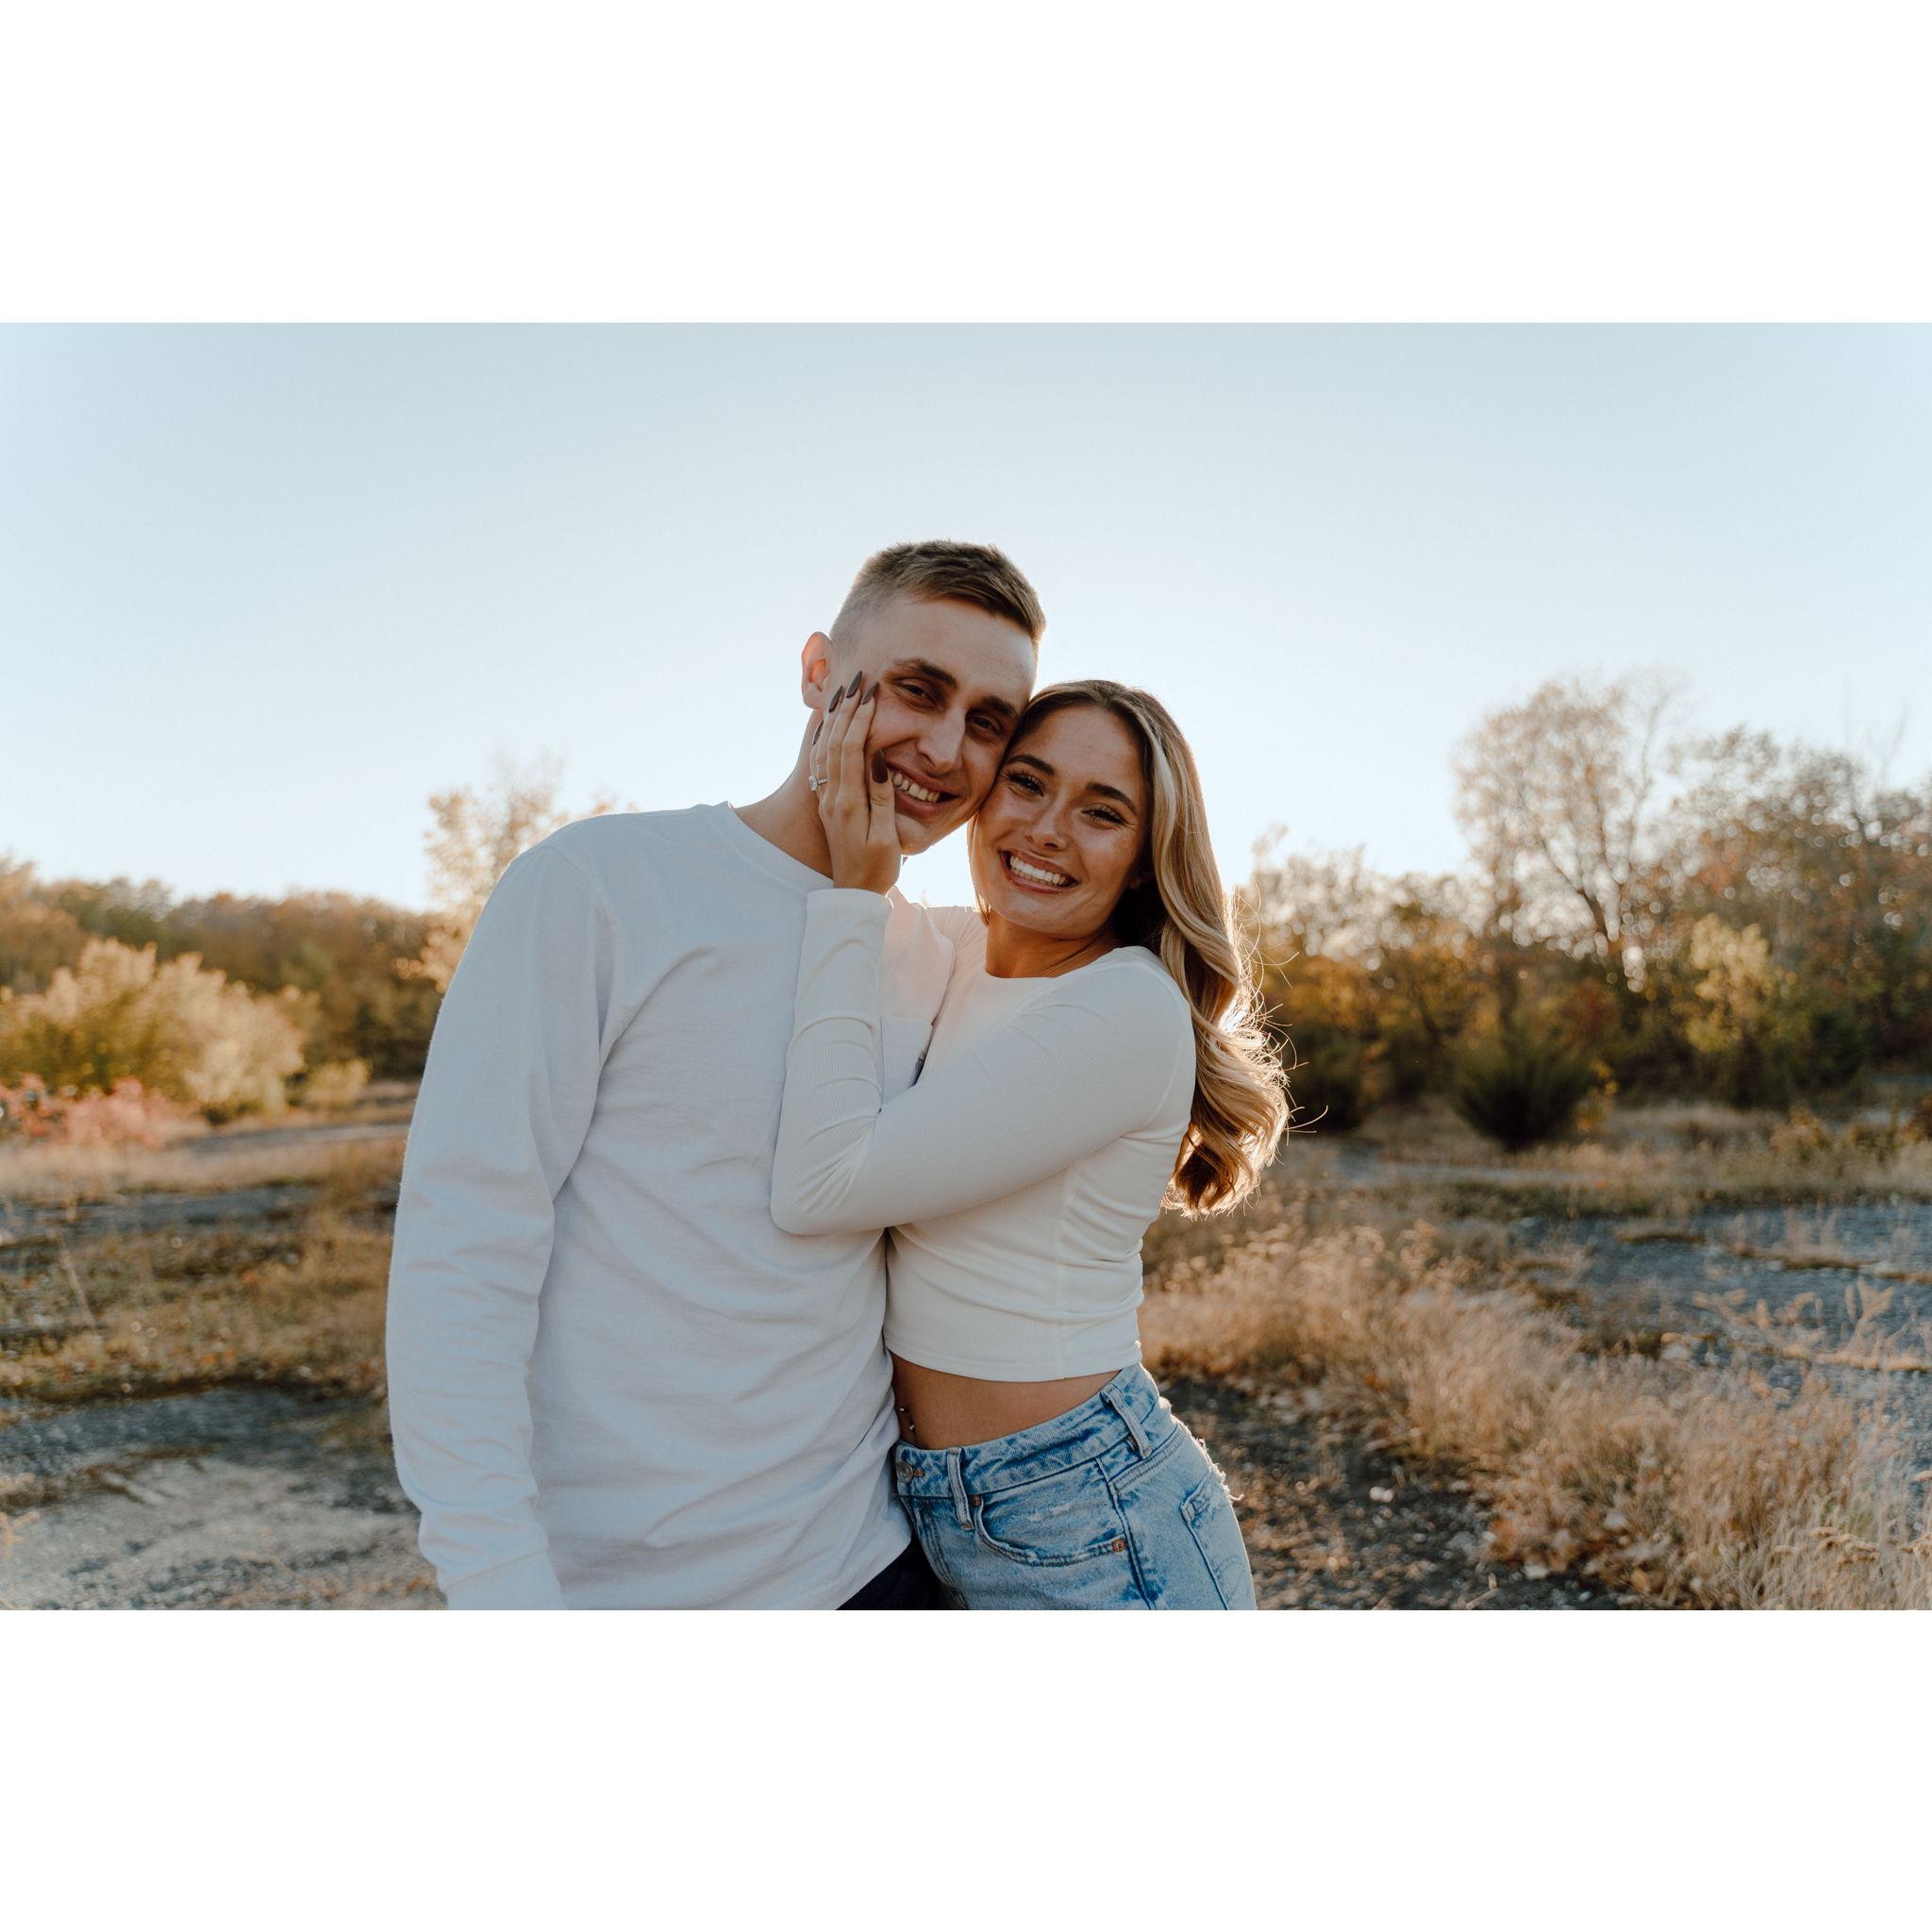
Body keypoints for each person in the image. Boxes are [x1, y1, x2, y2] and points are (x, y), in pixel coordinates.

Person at [385, 541, 1042, 1607]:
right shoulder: (598, 886)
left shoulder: (945, 958)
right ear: (818, 671)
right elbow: (464, 1246)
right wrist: (496, 1577)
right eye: (917, 689)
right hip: (616, 1587)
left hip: (868, 1567)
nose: (941, 747)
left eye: (986, 721)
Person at [770, 676, 1290, 1608]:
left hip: (1091, 1515)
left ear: (1144, 859)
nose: (1047, 830)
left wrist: (855, 896)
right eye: (1027, 782)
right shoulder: (958, 952)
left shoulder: (1124, 1006)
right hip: (941, 1503)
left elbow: (824, 1187)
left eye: (1101, 811)